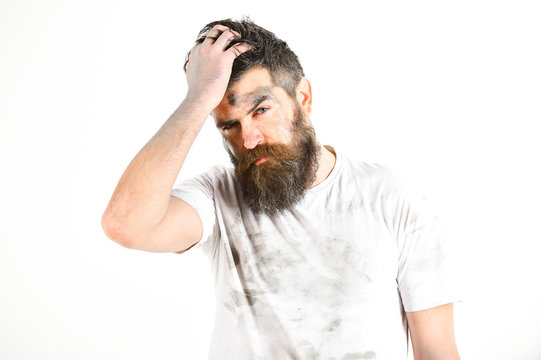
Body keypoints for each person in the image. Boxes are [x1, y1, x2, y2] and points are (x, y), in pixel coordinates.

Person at [102, 17, 461, 360]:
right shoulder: (217, 196)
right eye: (229, 125)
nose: (249, 138)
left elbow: (436, 351)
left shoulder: (392, 198)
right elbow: (126, 224)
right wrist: (197, 100)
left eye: (261, 109)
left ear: (302, 96)